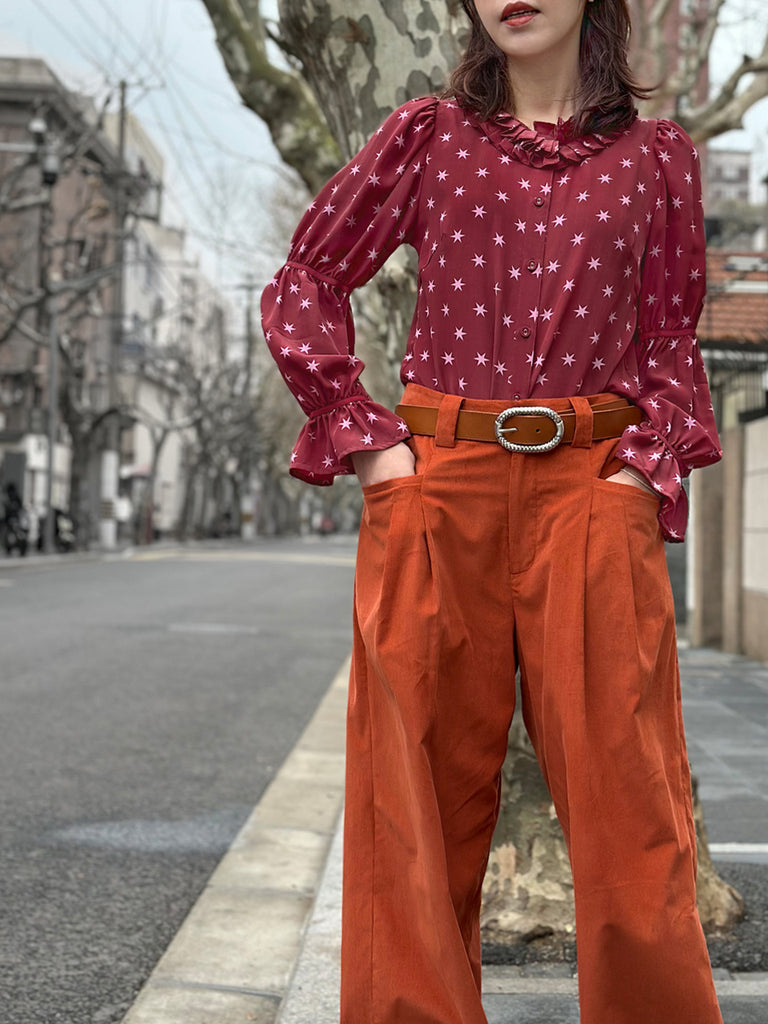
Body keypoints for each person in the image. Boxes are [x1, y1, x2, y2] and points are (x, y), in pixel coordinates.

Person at [261, 0, 724, 1020]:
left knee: (631, 806)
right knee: (413, 805)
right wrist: (370, 440)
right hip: (438, 486)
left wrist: (640, 473)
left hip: (593, 491)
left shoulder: (659, 160)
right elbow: (306, 279)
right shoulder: (428, 136)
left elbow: (670, 343)